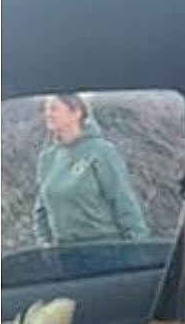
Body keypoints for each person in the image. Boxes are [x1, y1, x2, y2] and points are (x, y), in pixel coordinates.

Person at [31, 93, 149, 246]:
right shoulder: (47, 158)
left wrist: (139, 246)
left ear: (76, 113)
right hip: (64, 253)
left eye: (54, 109)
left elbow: (123, 200)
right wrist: (44, 244)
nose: (48, 114)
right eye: (45, 109)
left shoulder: (101, 151)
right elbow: (41, 211)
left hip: (104, 248)